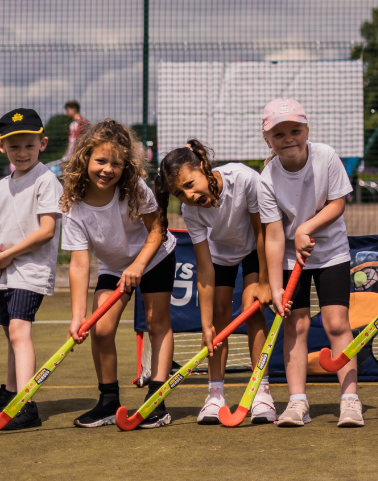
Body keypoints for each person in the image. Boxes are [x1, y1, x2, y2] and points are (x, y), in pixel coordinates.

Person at [60, 120, 176, 429]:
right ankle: (109, 402)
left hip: (153, 257)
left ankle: (156, 401)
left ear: (126, 166)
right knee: (100, 328)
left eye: (116, 163)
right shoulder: (74, 205)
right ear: (85, 158)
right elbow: (79, 263)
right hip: (114, 266)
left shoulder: (134, 189)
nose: (107, 169)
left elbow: (157, 230)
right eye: (101, 161)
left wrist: (138, 265)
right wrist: (78, 316)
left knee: (156, 322)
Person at [252, 99, 361, 427]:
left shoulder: (325, 156)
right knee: (295, 325)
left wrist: (305, 228)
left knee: (336, 323)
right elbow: (272, 236)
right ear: (267, 140)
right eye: (279, 133)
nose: (288, 138)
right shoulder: (266, 178)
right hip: (288, 258)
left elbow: (337, 203)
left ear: (306, 130)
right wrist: (274, 287)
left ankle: (350, 400)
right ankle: (297, 402)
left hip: (331, 253)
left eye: (295, 130)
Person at [154, 139, 278, 425]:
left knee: (254, 311)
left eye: (189, 184)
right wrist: (206, 325)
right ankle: (215, 394)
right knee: (219, 319)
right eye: (179, 193)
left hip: (253, 249)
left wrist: (263, 281)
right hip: (220, 255)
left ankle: (262, 391)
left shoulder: (244, 179)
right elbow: (205, 269)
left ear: (203, 166)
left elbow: (262, 233)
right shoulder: (192, 211)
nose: (188, 195)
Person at [0, 109, 63, 430]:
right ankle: (11, 392)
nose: (22, 153)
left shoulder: (47, 181)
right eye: (14, 147)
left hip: (31, 270)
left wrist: (10, 257)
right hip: (5, 273)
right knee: (11, 331)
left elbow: (47, 230)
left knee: (19, 330)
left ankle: (27, 405)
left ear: (42, 143)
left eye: (29, 146)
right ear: (1, 147)